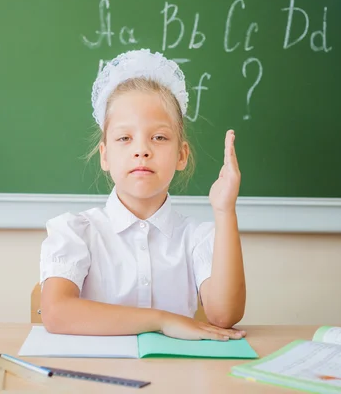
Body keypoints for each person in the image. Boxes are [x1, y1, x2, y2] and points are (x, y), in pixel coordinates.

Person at [39, 49, 246, 341]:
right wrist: (161, 320)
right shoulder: (77, 232)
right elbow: (56, 312)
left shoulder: (197, 238)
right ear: (105, 155)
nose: (141, 150)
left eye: (159, 137)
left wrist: (225, 211)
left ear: (181, 155)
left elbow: (225, 315)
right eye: (125, 138)